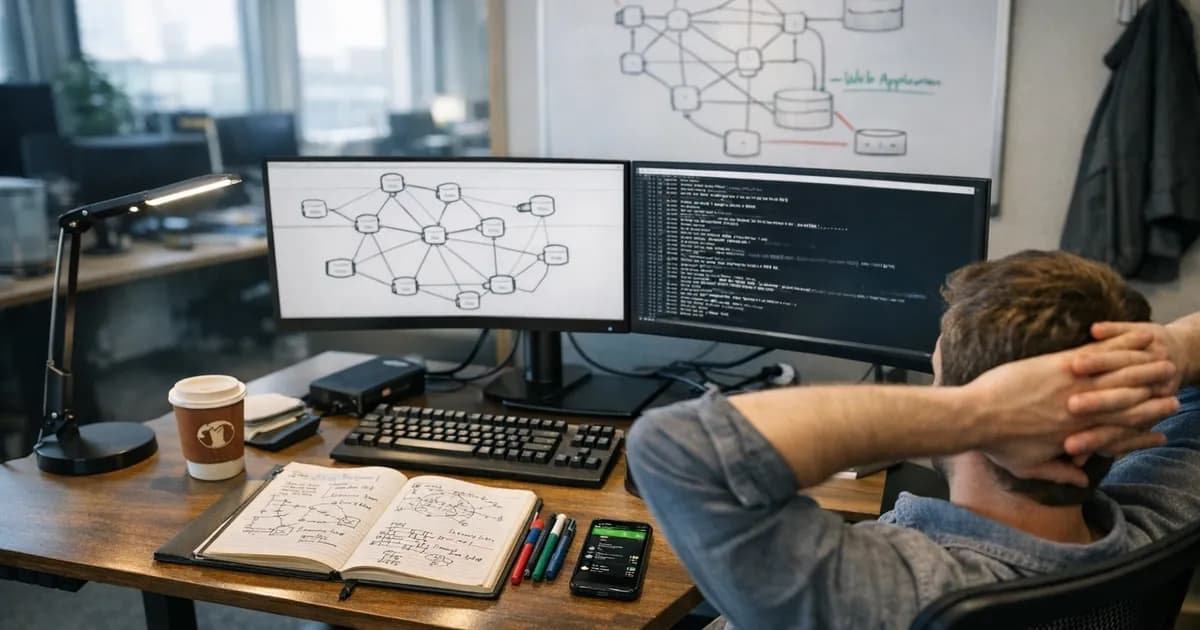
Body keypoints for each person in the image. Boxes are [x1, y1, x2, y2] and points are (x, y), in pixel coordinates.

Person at [626, 250, 1200, 630]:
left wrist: (975, 410)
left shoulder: (894, 595)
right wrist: (1167, 352)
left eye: (938, 380)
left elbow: (674, 449)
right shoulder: (1165, 516)